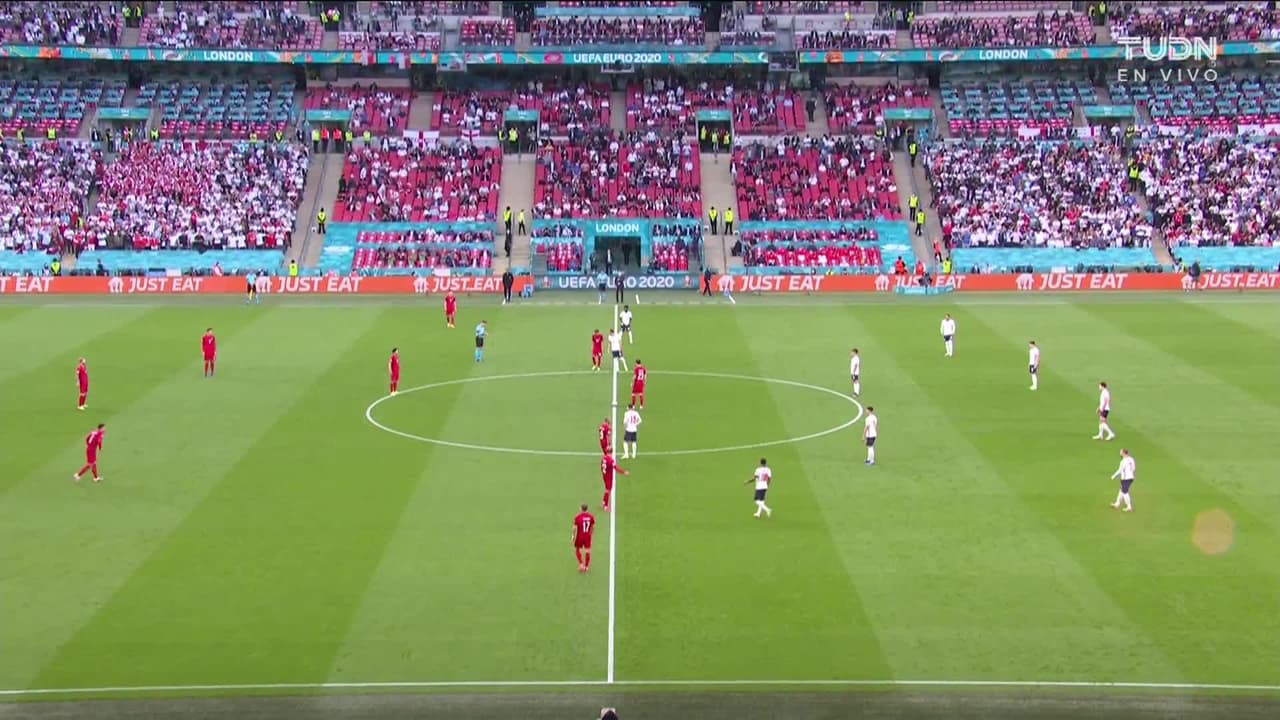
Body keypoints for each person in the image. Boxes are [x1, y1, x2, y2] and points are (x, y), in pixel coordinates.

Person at [1110, 448, 1136, 512]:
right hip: (1131, 477)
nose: (1120, 453)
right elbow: (1134, 468)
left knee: (1125, 492)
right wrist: (1130, 473)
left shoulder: (1123, 461)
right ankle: (1117, 504)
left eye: (1121, 452)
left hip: (1125, 478)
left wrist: (1114, 476)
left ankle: (1129, 507)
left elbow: (1120, 470)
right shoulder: (1131, 459)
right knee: (1121, 490)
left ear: (1123, 453)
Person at [573, 503, 596, 573]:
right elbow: (593, 527)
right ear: (587, 509)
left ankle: (581, 563)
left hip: (580, 536)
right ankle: (586, 567)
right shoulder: (591, 517)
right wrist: (591, 535)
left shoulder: (577, 517)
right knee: (587, 551)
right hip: (587, 536)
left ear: (581, 509)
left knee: (577, 549)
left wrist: (573, 536)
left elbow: (574, 528)